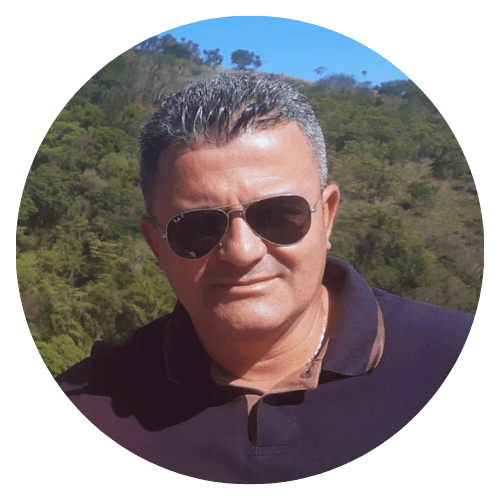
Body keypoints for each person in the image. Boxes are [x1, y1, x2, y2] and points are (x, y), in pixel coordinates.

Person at [56, 71, 474, 483]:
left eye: (277, 216)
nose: (242, 251)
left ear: (327, 216)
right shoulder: (94, 403)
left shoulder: (448, 355)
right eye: (197, 228)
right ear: (156, 245)